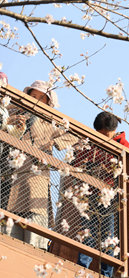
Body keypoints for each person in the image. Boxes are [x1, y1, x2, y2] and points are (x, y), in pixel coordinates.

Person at [4, 81, 71, 250]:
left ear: (49, 103)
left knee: (33, 232)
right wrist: (13, 119)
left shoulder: (50, 121)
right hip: (11, 178)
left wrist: (52, 143)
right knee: (8, 234)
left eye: (41, 98)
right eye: (33, 96)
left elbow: (74, 136)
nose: (36, 100)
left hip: (36, 179)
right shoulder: (16, 112)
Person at [63, 111, 129, 277]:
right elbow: (78, 162)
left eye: (106, 134)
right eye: (100, 134)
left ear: (113, 130)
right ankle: (83, 266)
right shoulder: (90, 142)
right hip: (90, 194)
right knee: (87, 232)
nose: (103, 137)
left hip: (110, 196)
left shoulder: (123, 144)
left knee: (108, 235)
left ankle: (106, 273)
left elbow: (126, 169)